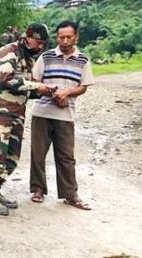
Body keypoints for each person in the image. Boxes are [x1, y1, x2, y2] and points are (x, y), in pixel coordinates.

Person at [0, 23, 55, 216]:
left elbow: (25, 89)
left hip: (17, 112)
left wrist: (45, 91)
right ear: (28, 36)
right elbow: (7, 79)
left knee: (12, 157)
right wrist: (37, 86)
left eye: (43, 44)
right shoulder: (9, 51)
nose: (40, 47)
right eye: (38, 42)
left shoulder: (28, 58)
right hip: (0, 111)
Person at [29, 20, 94, 209]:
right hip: (42, 112)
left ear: (76, 37)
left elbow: (83, 87)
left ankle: (70, 194)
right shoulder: (46, 57)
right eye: (61, 37)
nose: (64, 41)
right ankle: (38, 189)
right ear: (57, 38)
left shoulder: (83, 60)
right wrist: (55, 93)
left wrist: (66, 93)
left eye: (68, 37)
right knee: (38, 153)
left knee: (66, 156)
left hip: (66, 115)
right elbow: (35, 82)